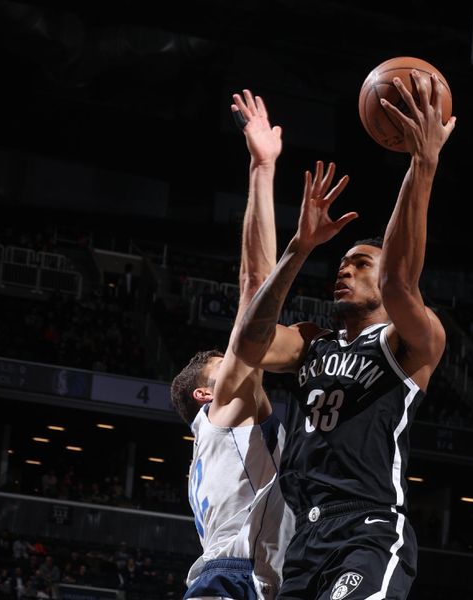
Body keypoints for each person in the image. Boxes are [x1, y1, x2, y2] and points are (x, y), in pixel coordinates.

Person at [233, 70, 455, 600]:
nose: (344, 270)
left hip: (369, 529)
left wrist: (423, 164)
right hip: (303, 536)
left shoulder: (411, 343)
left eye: (360, 263)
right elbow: (248, 345)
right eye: (341, 263)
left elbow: (401, 277)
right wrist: (299, 247)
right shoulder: (313, 342)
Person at [170, 89, 294, 600]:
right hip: (236, 576)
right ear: (206, 395)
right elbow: (254, 290)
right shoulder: (224, 411)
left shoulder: (213, 445)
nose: (244, 354)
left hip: (256, 576)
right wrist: (262, 169)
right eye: (227, 360)